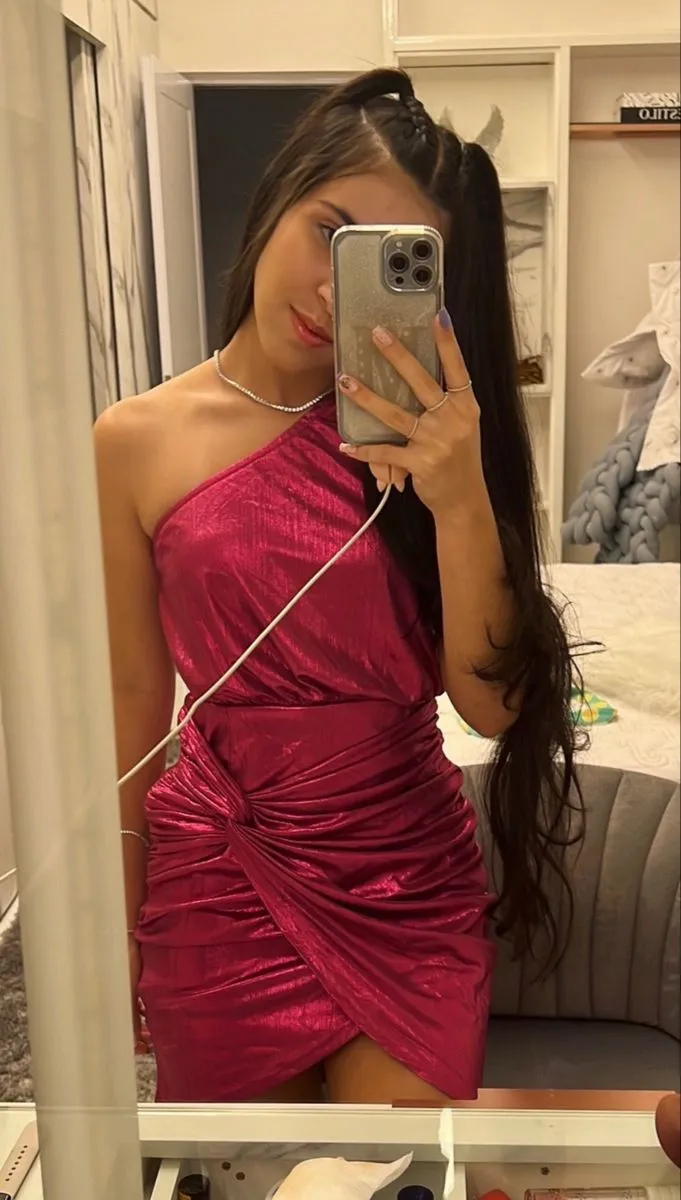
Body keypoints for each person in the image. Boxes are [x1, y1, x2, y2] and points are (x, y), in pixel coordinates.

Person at [95, 67, 582, 1105]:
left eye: (381, 266)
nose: (329, 289)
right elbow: (133, 700)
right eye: (330, 232)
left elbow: (492, 707)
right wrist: (116, 906)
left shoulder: (432, 439)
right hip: (217, 870)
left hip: (402, 874)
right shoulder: (132, 442)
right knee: (236, 1169)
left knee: (392, 1170)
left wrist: (458, 496)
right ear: (278, 195)